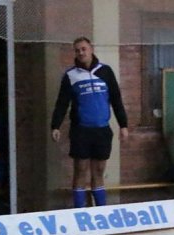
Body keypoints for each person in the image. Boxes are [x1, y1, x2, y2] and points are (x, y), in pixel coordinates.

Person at [50, 36, 128, 208]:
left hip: (102, 130)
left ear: (91, 49)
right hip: (81, 130)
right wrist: (55, 125)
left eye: (83, 49)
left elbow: (116, 99)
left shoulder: (105, 71)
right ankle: (79, 212)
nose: (81, 52)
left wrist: (123, 125)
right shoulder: (71, 75)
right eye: (77, 50)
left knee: (99, 171)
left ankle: (100, 211)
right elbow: (62, 102)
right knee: (81, 170)